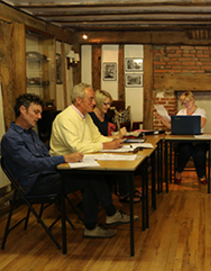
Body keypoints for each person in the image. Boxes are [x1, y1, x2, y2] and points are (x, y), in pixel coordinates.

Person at [1, 93, 137, 240]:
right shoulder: (11, 138)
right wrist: (64, 158)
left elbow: (44, 156)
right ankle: (100, 221)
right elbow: (32, 163)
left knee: (91, 174)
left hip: (47, 174)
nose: (39, 117)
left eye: (40, 112)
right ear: (22, 110)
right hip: (35, 183)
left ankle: (106, 217)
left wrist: (63, 156)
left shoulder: (29, 133)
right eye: (36, 112)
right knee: (90, 178)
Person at [89, 89, 142, 203]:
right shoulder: (91, 117)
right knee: (121, 163)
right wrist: (118, 135)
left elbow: (104, 136)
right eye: (105, 104)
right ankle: (125, 194)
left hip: (104, 147)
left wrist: (116, 138)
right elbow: (95, 139)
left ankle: (130, 190)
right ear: (97, 102)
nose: (108, 106)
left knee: (128, 159)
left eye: (109, 104)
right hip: (97, 150)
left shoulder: (104, 116)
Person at [157, 91, 208, 185]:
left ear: (193, 100)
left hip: (198, 141)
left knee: (199, 151)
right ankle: (179, 172)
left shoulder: (201, 111)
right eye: (183, 103)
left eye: (187, 102)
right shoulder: (181, 112)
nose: (185, 105)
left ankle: (201, 174)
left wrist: (184, 126)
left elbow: (200, 125)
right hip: (184, 141)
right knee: (185, 149)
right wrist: (162, 120)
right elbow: (173, 126)